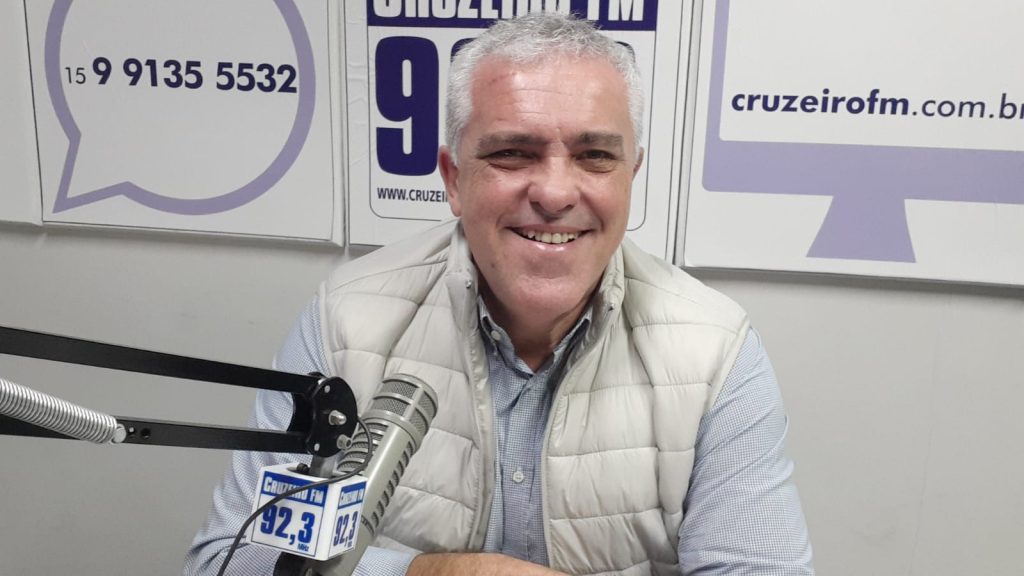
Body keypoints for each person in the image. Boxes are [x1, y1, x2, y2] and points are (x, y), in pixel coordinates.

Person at [184, 12, 813, 576]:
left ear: (631, 177)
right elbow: (228, 562)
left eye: (595, 155)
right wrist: (438, 574)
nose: (555, 193)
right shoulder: (344, 321)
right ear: (454, 179)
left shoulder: (716, 352)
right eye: (513, 154)